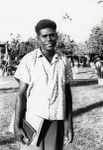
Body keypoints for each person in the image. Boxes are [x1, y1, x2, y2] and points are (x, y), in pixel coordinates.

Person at [13, 19, 74, 150]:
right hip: (33, 120)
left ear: (56, 36)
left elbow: (67, 93)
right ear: (38, 38)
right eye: (44, 36)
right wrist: (17, 126)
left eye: (52, 35)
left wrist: (69, 123)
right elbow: (21, 94)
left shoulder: (64, 61)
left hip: (56, 120)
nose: (49, 39)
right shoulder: (29, 60)